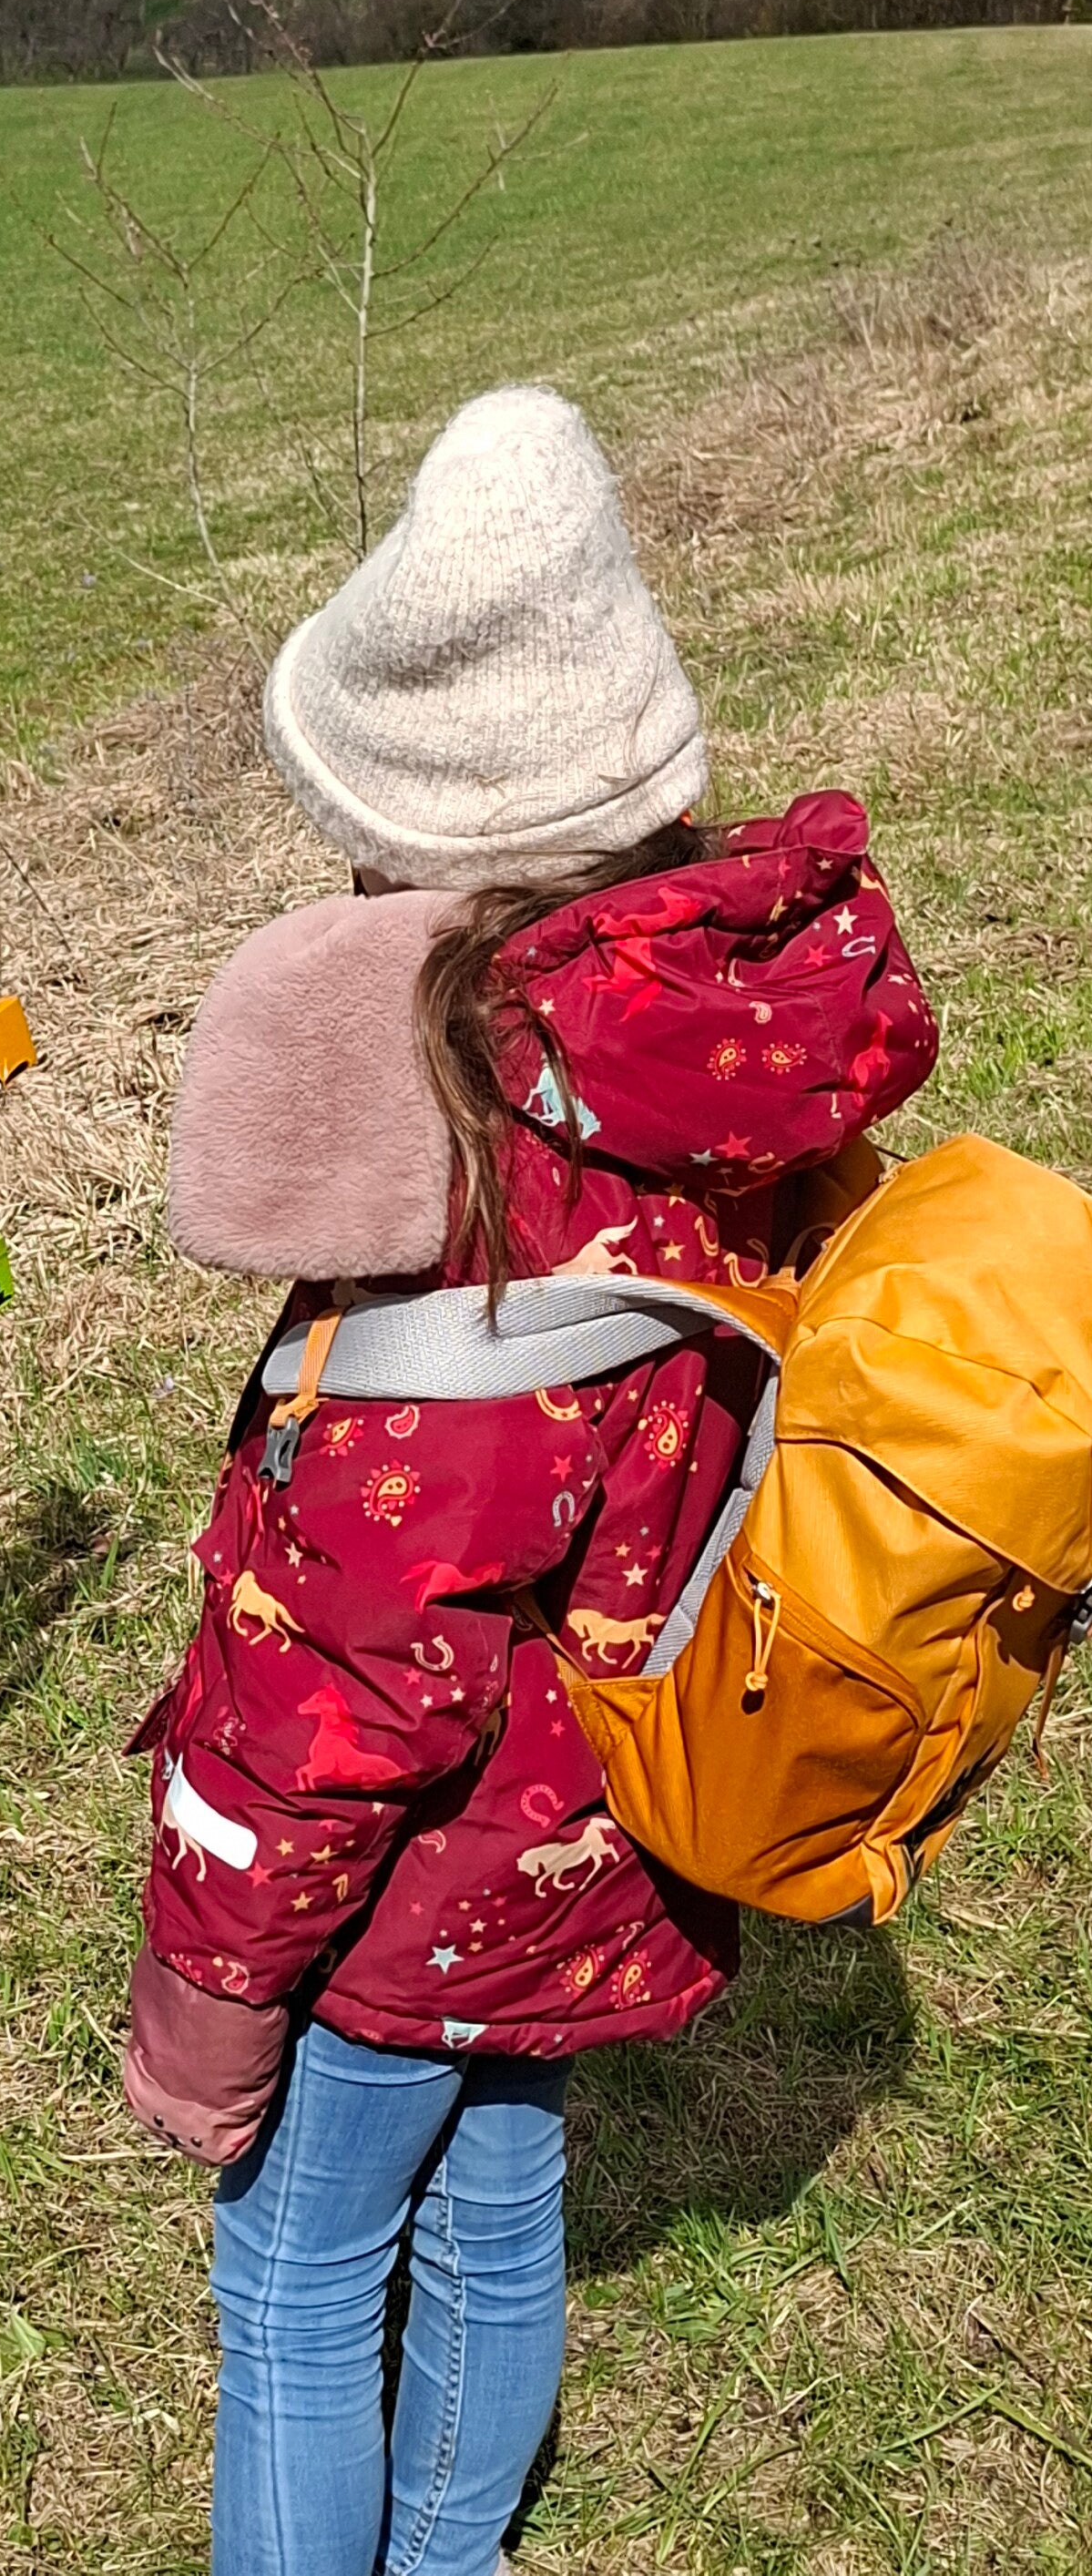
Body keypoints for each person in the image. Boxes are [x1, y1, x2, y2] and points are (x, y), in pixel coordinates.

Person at [121, 385, 939, 2576]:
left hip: (419, 1880)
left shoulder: (480, 1184)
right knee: (499, 2196)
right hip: (621, 1808)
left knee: (297, 2267)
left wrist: (209, 1992)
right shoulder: (719, 1046)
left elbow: (349, 1679)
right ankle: (451, 2551)